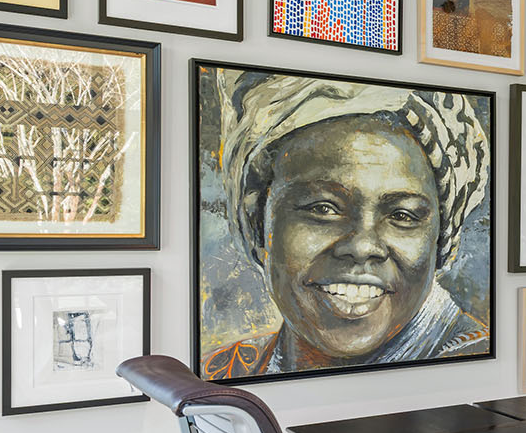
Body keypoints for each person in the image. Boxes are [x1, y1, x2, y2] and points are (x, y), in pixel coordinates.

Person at [202, 69, 490, 379]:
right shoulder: (221, 374)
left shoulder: (476, 372)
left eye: (402, 216)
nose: (362, 246)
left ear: (442, 241)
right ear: (257, 225)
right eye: (323, 208)